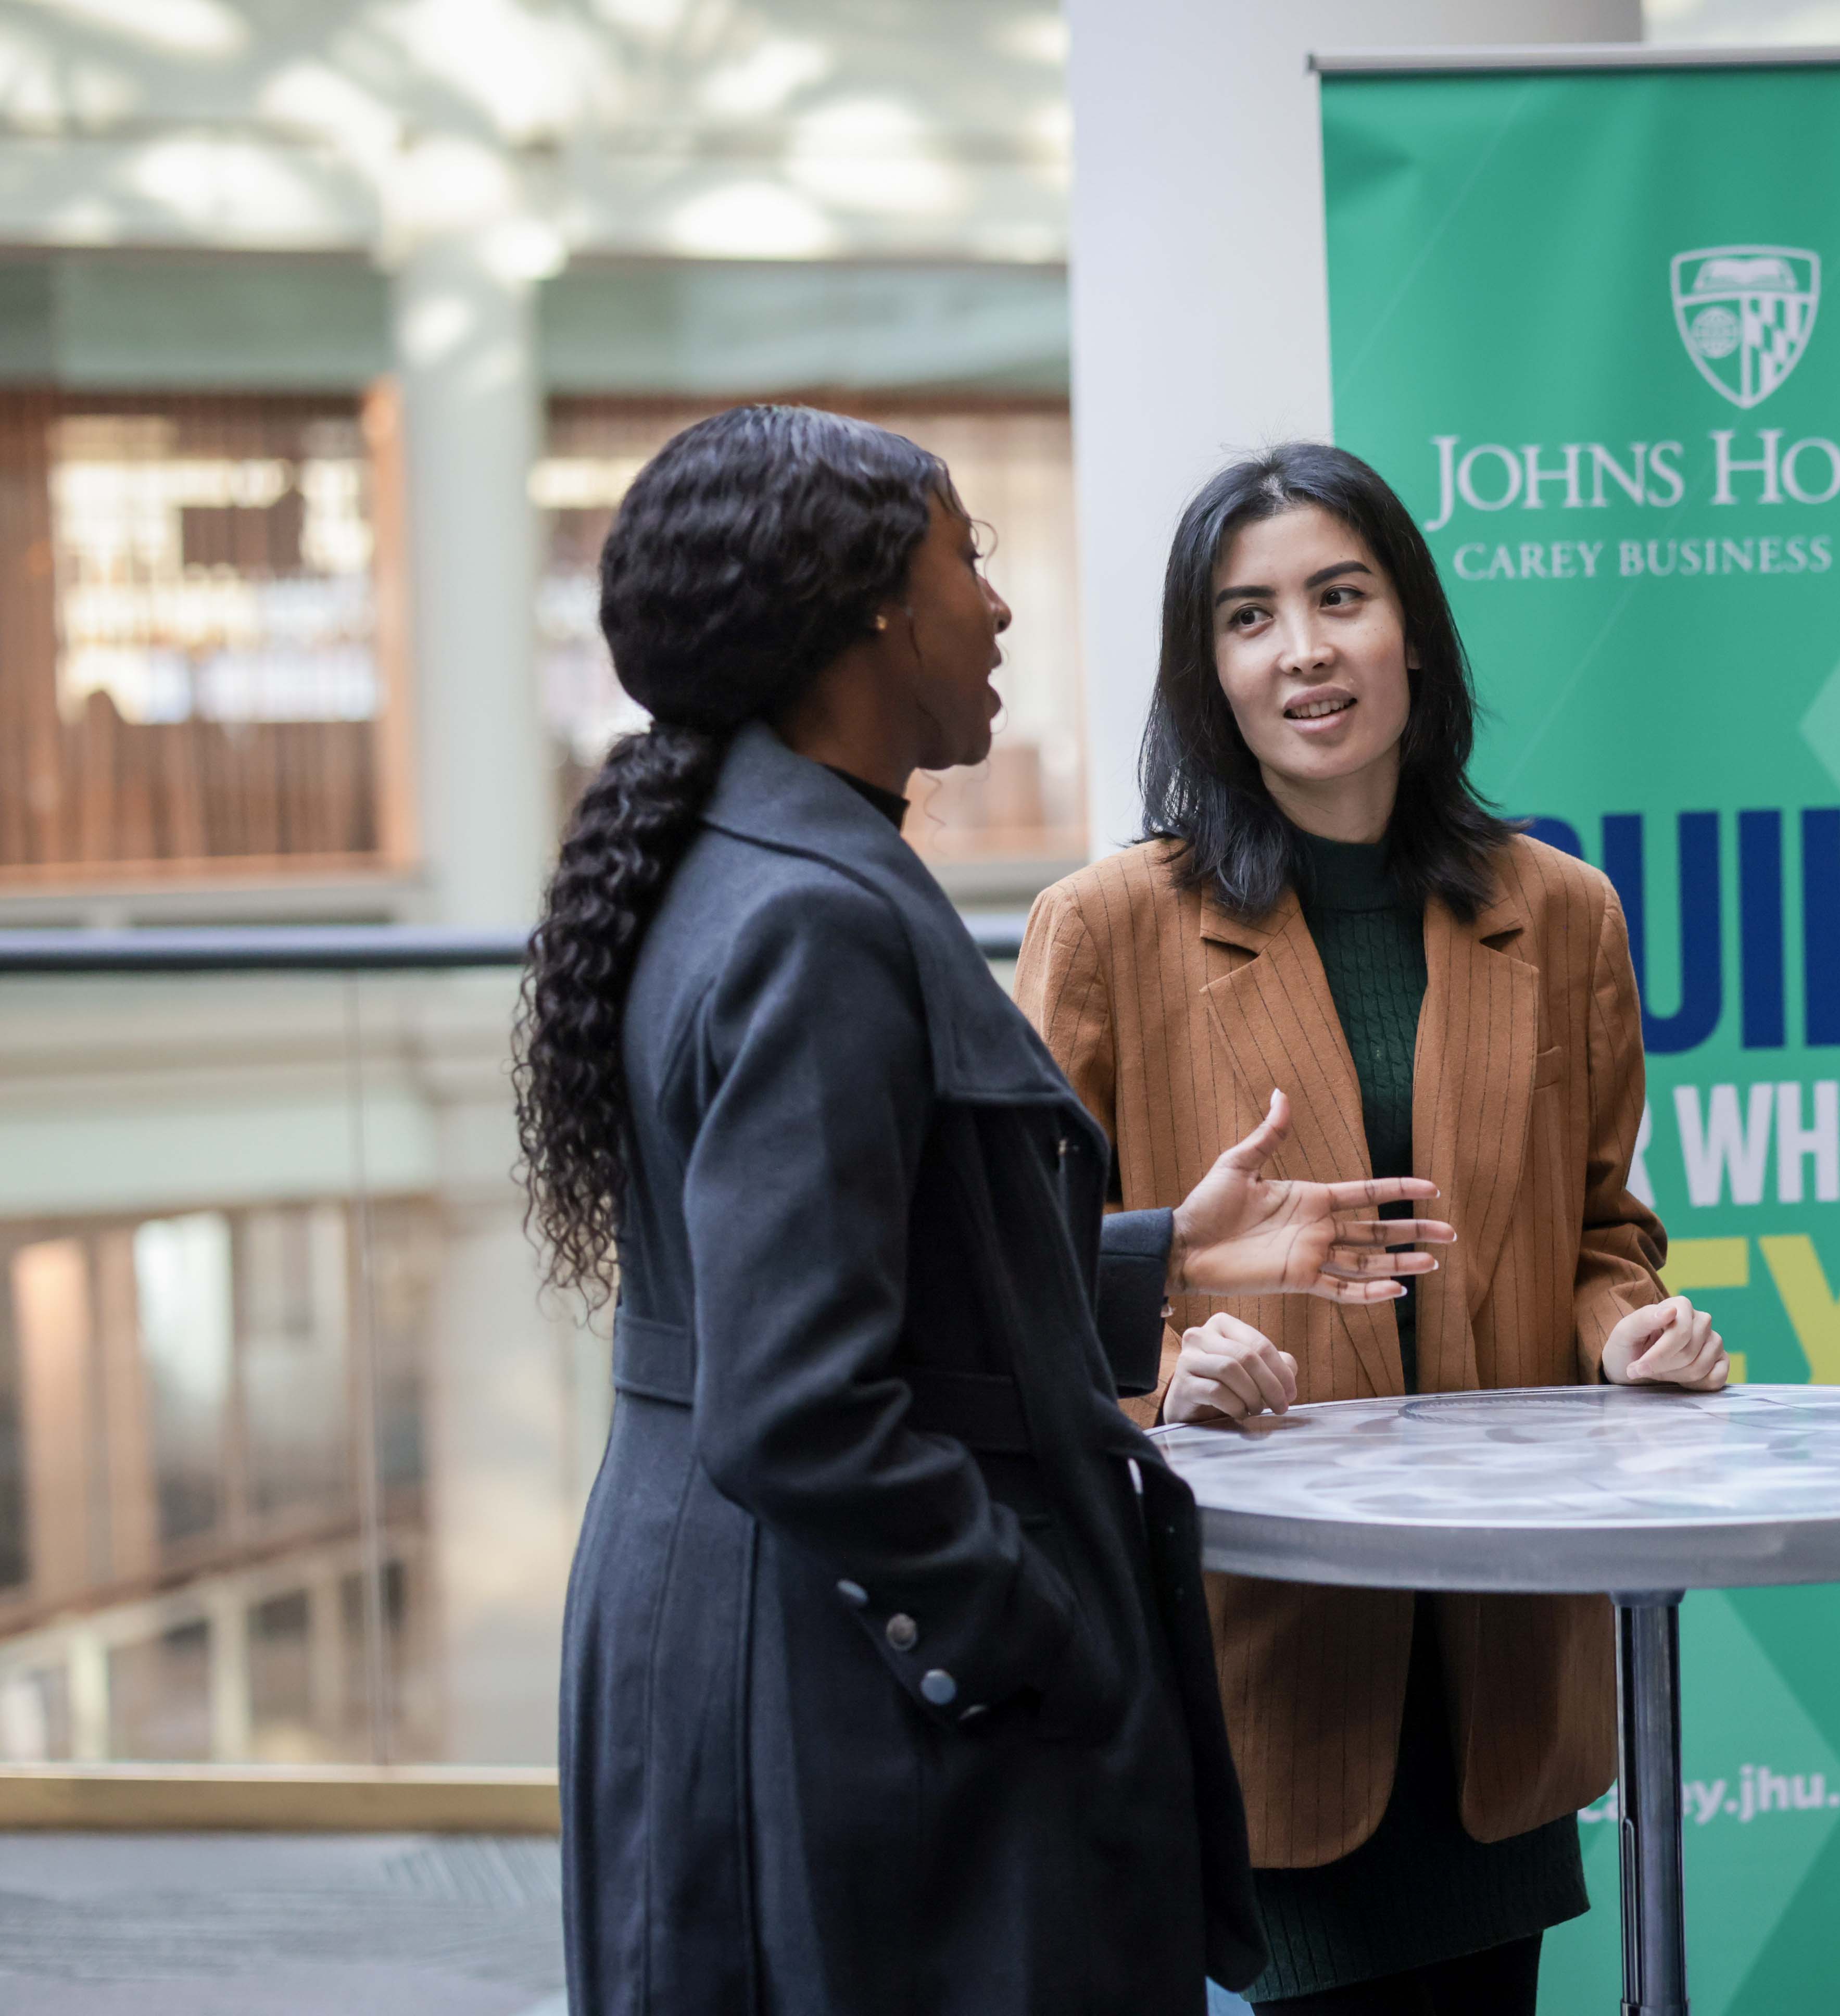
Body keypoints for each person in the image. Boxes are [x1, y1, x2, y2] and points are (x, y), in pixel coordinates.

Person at [523, 406, 1449, 2014]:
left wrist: (1176, 1255)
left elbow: (872, 1281)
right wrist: (1035, 1630)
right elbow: (803, 1405)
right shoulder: (814, 916)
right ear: (872, 606)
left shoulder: (733, 860)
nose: (1002, 607)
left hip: (752, 1635)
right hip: (846, 1691)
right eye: (972, 558)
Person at [1016, 441, 1726, 2014]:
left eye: (1341, 598)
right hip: (1266, 1637)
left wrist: (1625, 1326)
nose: (1304, 650)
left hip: (1498, 1646)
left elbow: (1606, 1225)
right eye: (1248, 617)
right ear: (1204, 670)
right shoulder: (1107, 927)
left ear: (1413, 628)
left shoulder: (1562, 909)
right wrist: (1167, 1365)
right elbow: (1016, 1283)